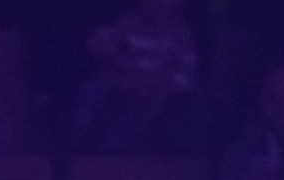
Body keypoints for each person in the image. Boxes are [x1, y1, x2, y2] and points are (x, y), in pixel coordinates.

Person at [72, 0, 208, 154]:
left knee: (193, 102)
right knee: (93, 90)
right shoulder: (125, 26)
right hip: (124, 85)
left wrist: (165, 84)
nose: (158, 6)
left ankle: (179, 154)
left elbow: (187, 70)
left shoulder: (182, 35)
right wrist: (120, 62)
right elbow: (97, 47)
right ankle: (84, 147)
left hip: (164, 91)